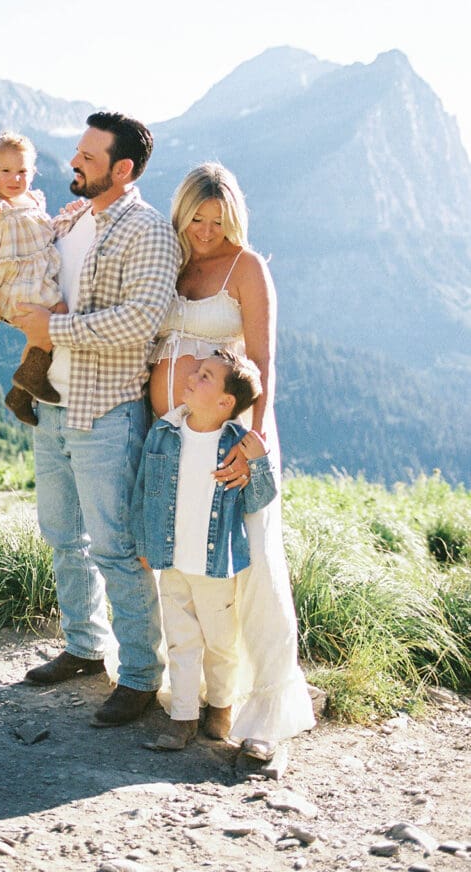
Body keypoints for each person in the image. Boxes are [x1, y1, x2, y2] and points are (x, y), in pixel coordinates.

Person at [14, 112, 181, 728]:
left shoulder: (149, 231)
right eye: (78, 153)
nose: (74, 163)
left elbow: (140, 322)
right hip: (53, 402)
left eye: (88, 156)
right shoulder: (72, 217)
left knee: (115, 546)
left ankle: (140, 675)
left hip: (106, 409)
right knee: (63, 535)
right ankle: (85, 648)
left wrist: (50, 327)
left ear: (124, 169)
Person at [149, 162, 315, 758]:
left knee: (253, 571)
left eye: (218, 220)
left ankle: (265, 714)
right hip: (170, 441)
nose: (206, 229)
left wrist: (256, 441)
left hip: (230, 443)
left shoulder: (248, 268)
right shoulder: (168, 259)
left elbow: (264, 363)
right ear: (181, 210)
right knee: (178, 570)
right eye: (197, 216)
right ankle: (185, 694)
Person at [131, 350, 278, 750]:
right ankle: (182, 717)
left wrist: (260, 460)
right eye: (197, 371)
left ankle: (220, 705)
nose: (193, 376)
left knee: (220, 641)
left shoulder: (237, 446)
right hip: (173, 559)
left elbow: (260, 499)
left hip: (216, 565)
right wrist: (144, 543)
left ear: (225, 402)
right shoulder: (164, 432)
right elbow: (143, 492)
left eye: (206, 376)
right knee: (180, 639)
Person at [0, 132, 67, 426]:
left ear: (33, 173)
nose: (14, 178)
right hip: (15, 286)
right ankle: (27, 383)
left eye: (22, 171)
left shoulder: (34, 200)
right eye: (5, 171)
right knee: (50, 324)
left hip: (37, 281)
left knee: (57, 318)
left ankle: (21, 392)